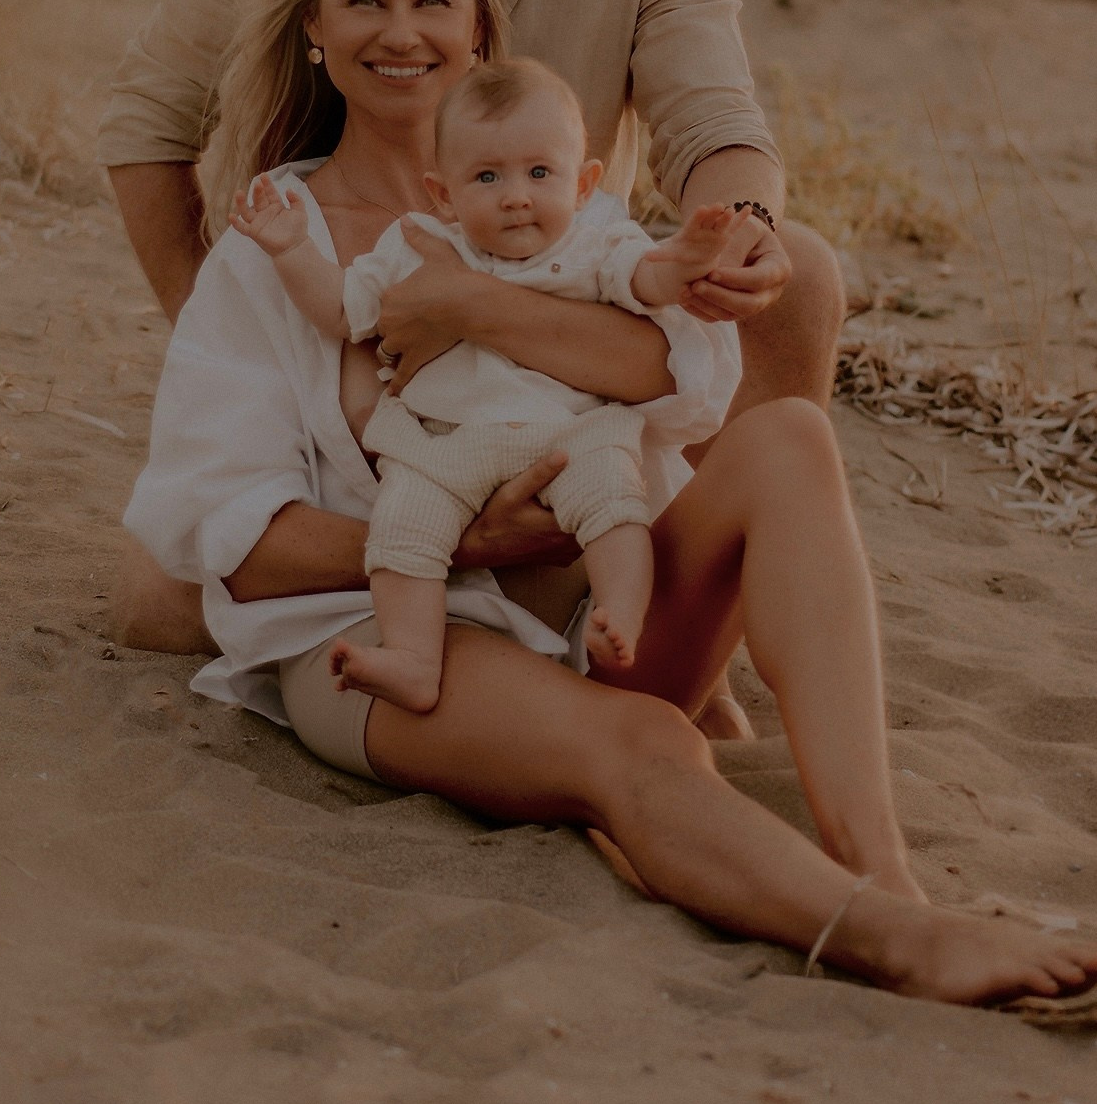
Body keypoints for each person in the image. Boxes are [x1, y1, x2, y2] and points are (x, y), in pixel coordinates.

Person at [123, 0, 1097, 1006]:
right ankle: (891, 940)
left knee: (790, 435)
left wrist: (472, 304)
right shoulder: (274, 250)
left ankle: (887, 867)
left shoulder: (554, 207)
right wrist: (468, 542)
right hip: (384, 629)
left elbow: (680, 378)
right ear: (314, 28)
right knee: (652, 750)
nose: (400, 30)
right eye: (364, 0)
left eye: (432, 2)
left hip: (590, 601)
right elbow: (239, 544)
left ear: (475, 31)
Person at [102, 0, 847, 716]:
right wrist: (228, 328)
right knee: (155, 597)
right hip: (366, 331)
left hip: (561, 306)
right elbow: (147, 123)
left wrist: (735, 228)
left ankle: (686, 631)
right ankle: (470, 592)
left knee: (799, 275)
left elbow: (716, 126)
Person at [231, 54, 757, 706]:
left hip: (570, 432)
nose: (516, 195)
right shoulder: (415, 246)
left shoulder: (593, 247)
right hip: (443, 442)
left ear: (583, 183)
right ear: (443, 193)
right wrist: (290, 250)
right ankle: (413, 660)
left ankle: (620, 613)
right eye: (486, 176)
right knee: (400, 532)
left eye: (540, 173)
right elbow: (342, 310)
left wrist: (683, 260)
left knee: (614, 500)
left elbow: (645, 283)